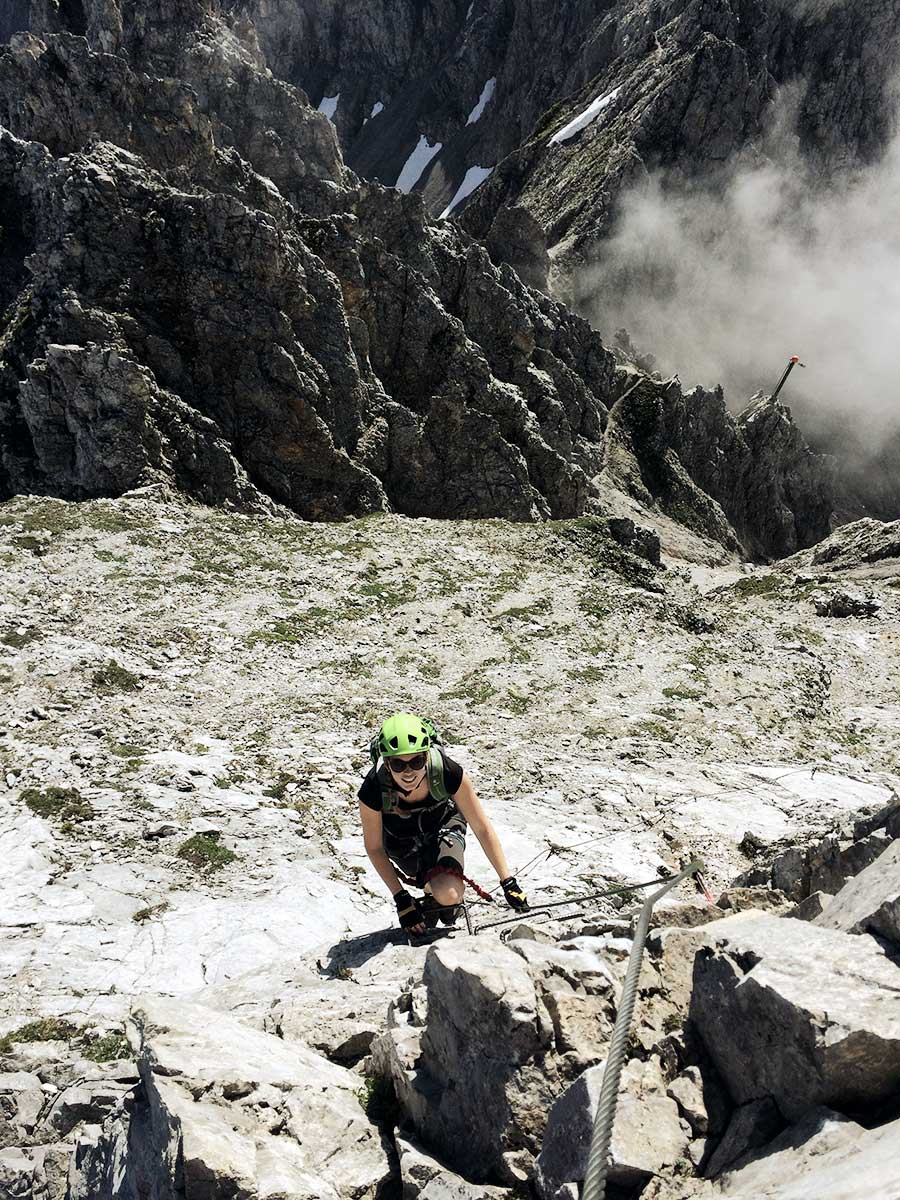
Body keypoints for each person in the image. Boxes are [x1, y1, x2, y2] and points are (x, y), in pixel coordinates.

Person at [358, 712, 529, 934]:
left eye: (416, 761)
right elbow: (374, 847)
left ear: (427, 757)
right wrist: (401, 899)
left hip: (445, 824)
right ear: (387, 764)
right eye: (399, 765)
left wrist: (508, 881)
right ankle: (429, 890)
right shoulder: (373, 788)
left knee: (450, 899)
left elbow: (481, 827)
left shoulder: (448, 772)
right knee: (428, 882)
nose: (408, 772)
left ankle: (438, 895)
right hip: (400, 839)